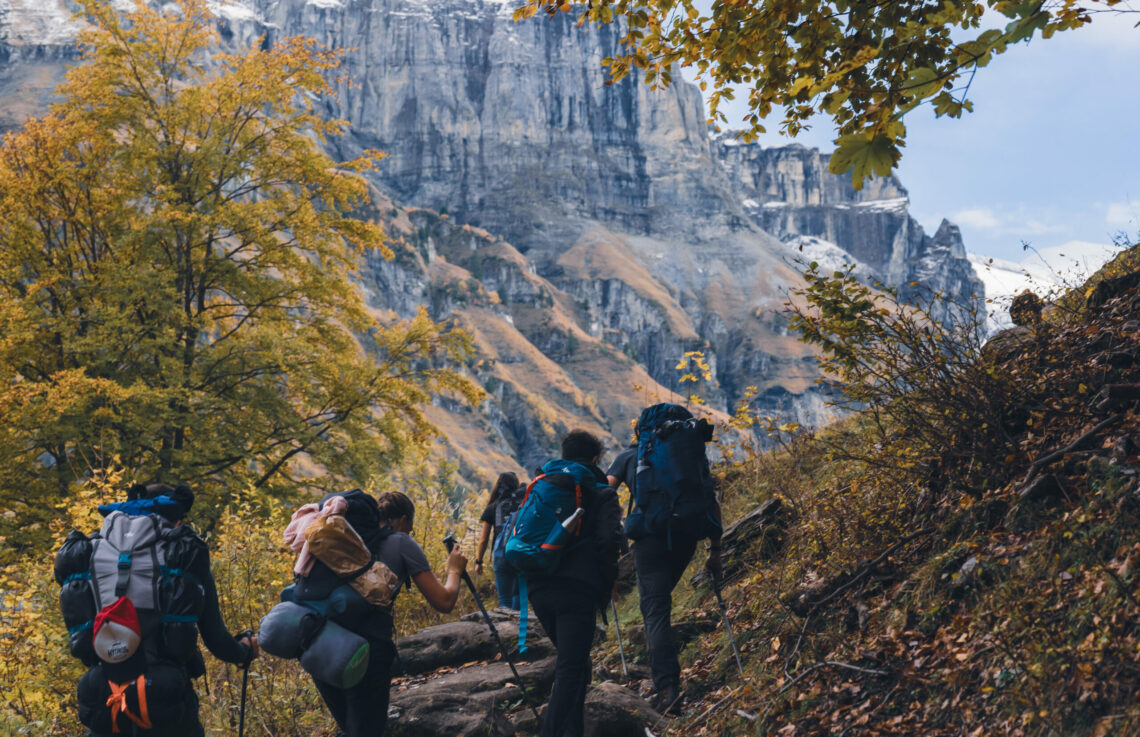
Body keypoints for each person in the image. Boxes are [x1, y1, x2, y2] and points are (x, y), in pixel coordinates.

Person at [65, 482, 259, 737]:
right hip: (165, 701)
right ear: (176, 519)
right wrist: (243, 650)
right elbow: (216, 638)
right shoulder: (182, 557)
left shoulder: (92, 555)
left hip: (105, 697)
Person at [307, 490, 468, 737]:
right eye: (411, 526)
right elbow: (444, 602)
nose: (410, 531)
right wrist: (455, 570)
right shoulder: (401, 542)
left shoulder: (337, 539)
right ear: (403, 519)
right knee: (368, 729)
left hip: (321, 644)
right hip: (367, 651)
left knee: (350, 727)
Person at [607, 420, 723, 715]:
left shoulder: (628, 456)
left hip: (649, 540)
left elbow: (605, 496)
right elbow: (711, 500)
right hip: (685, 538)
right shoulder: (687, 453)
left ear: (641, 433)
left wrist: (608, 540)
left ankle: (667, 688)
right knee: (659, 604)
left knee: (655, 609)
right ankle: (665, 677)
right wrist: (716, 551)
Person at [526, 430, 623, 737]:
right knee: (571, 667)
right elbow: (610, 542)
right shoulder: (602, 492)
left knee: (577, 664)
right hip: (576, 590)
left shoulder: (543, 485)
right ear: (596, 459)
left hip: (538, 587)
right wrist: (608, 584)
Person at [474, 471, 523, 609]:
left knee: (504, 600)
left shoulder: (493, 507)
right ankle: (519, 627)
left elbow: (483, 539)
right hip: (520, 553)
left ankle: (506, 627)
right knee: (518, 595)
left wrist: (479, 562)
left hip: (501, 554)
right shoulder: (523, 504)